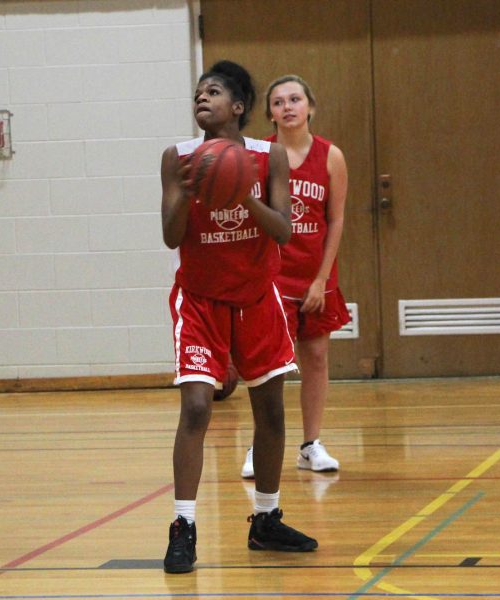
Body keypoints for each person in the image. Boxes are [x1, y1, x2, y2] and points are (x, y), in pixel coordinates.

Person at [161, 61, 318, 575]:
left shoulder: (267, 155)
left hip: (255, 298)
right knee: (198, 408)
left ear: (239, 107)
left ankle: (266, 520)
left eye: (214, 92)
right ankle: (184, 526)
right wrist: (190, 188)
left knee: (271, 413)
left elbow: (283, 231)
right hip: (201, 299)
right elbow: (170, 235)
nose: (201, 99)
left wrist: (241, 192)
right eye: (197, 93)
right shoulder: (178, 157)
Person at [241, 75, 350, 478]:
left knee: (317, 357)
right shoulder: (259, 156)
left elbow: (336, 220)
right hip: (272, 277)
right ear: (269, 113)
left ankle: (310, 445)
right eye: (278, 102)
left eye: (295, 99)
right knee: (269, 367)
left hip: (315, 275)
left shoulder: (331, 156)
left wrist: (322, 278)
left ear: (310, 106)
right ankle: (259, 446)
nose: (287, 107)